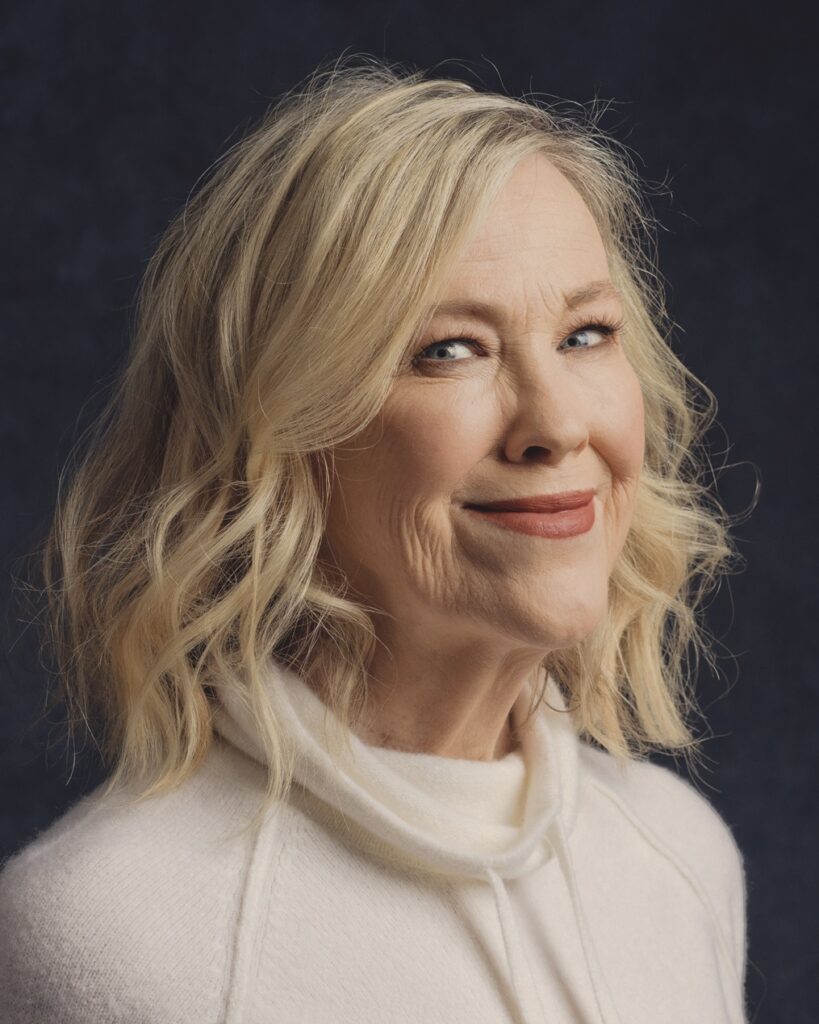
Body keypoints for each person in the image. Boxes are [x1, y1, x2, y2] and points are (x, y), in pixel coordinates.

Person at [0, 56, 749, 1023]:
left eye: (584, 334)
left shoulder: (679, 856)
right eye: (449, 350)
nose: (557, 424)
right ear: (283, 429)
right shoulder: (109, 937)